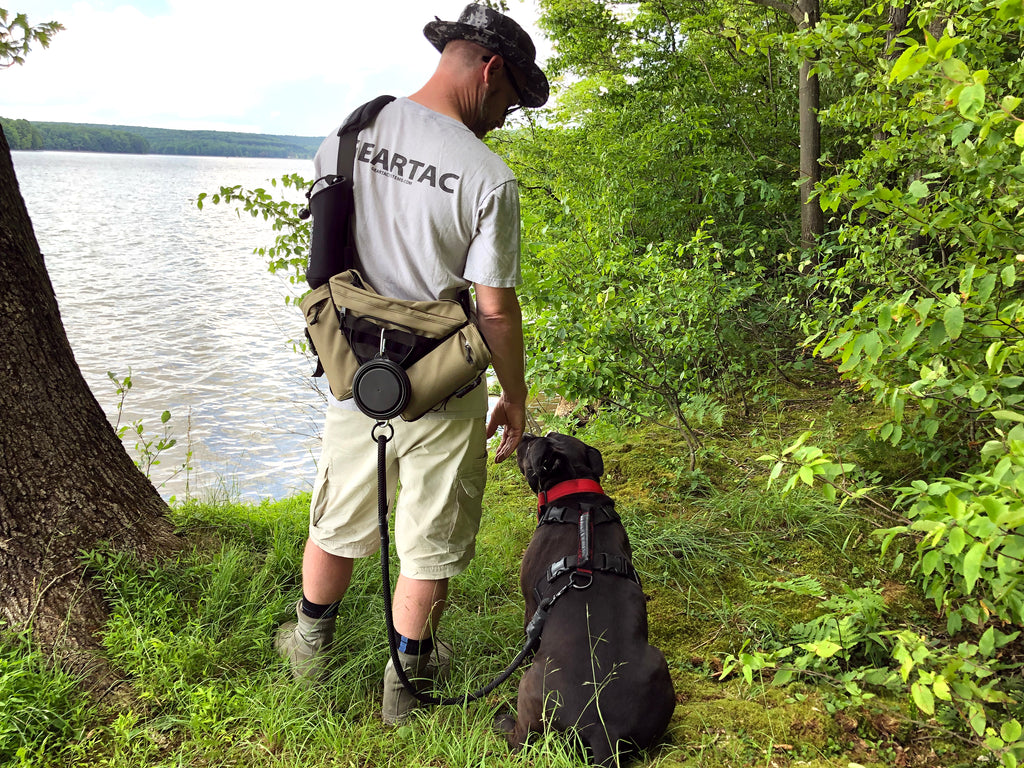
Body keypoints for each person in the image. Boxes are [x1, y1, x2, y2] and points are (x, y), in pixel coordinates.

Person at [274, 3, 548, 725]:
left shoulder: (351, 131)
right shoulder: (488, 175)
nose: (504, 116)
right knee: (428, 537)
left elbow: (328, 258)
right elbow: (494, 311)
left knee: (336, 516)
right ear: (489, 70)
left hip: (355, 373)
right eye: (509, 100)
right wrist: (515, 397)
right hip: (444, 379)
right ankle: (406, 689)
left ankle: (308, 648)